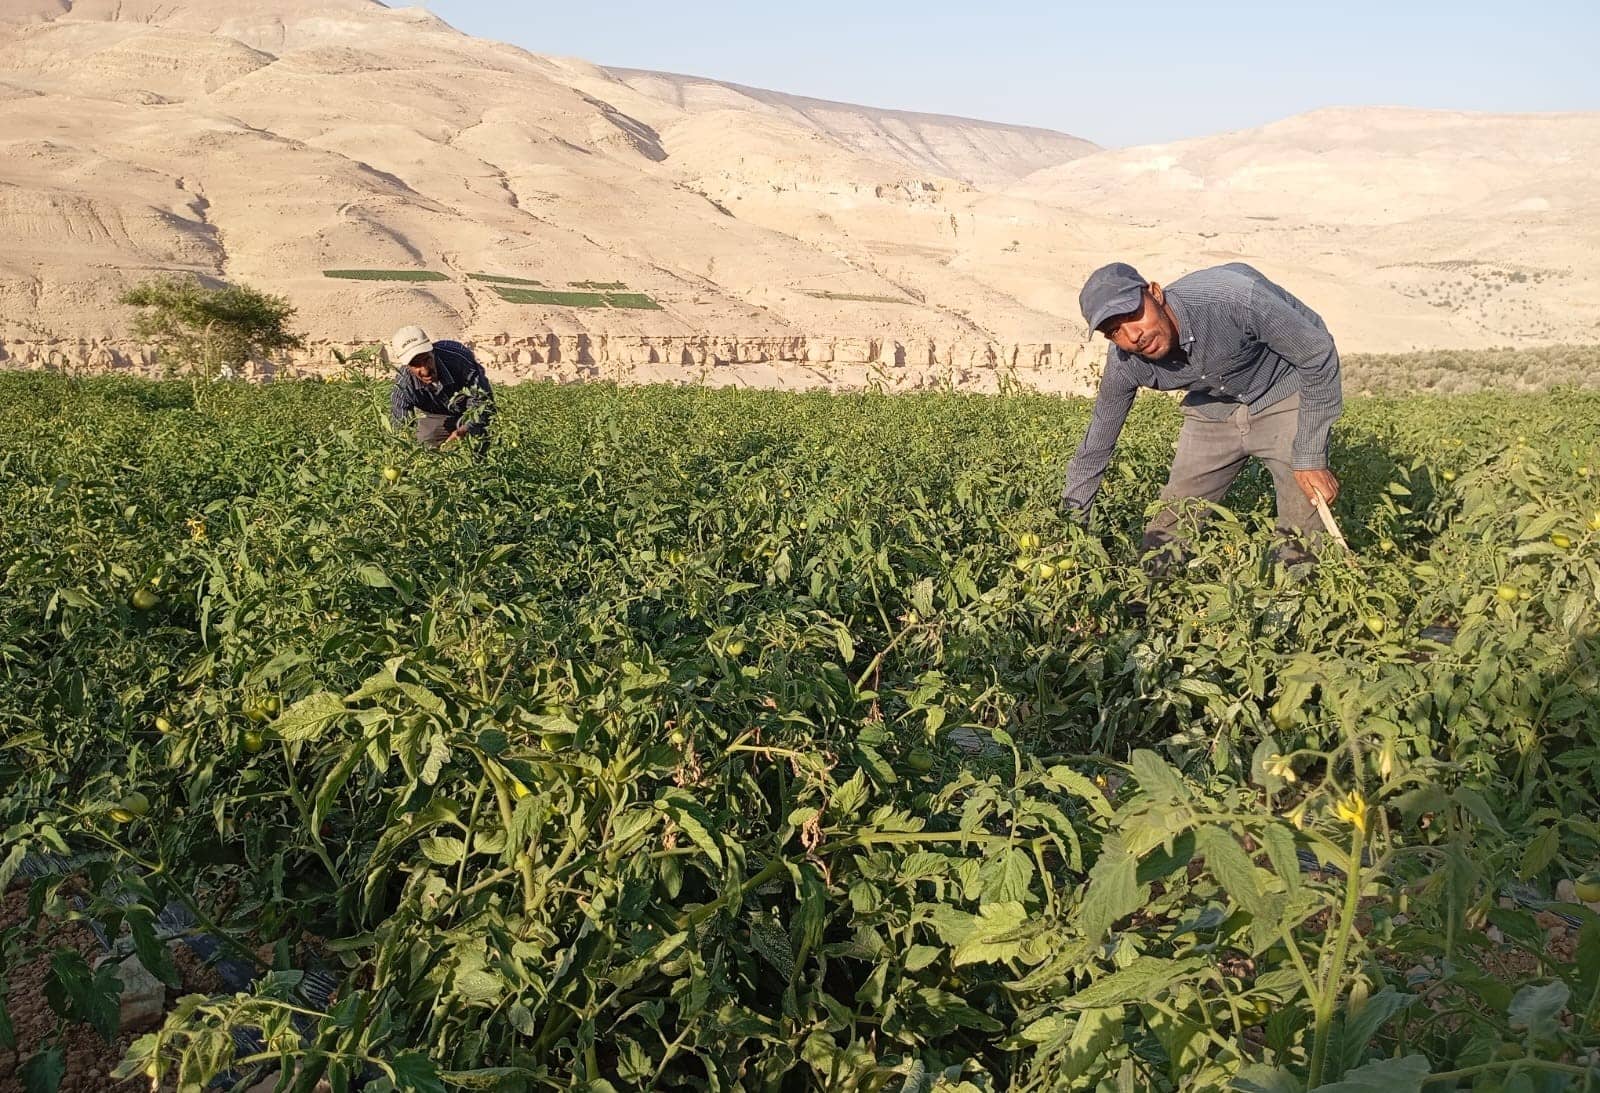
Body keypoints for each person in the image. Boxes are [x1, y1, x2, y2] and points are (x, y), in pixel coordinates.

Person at [1060, 262, 1342, 570]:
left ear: (1155, 293)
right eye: (1115, 331)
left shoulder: (1231, 298)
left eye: (1132, 314)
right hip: (1213, 409)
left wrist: (1311, 456)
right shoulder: (1126, 362)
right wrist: (1068, 529)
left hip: (1282, 393)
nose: (1133, 336)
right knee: (1171, 521)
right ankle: (1147, 606)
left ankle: (1292, 605)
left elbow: (1317, 352)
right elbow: (1096, 446)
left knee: (1302, 522)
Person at [388, 325, 495, 451]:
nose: (425, 371)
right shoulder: (404, 385)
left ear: (432, 351)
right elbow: (401, 429)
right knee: (425, 442)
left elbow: (483, 402)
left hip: (470, 410)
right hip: (437, 416)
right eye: (416, 364)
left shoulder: (459, 360)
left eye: (427, 359)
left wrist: (465, 430)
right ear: (407, 366)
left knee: (479, 443)